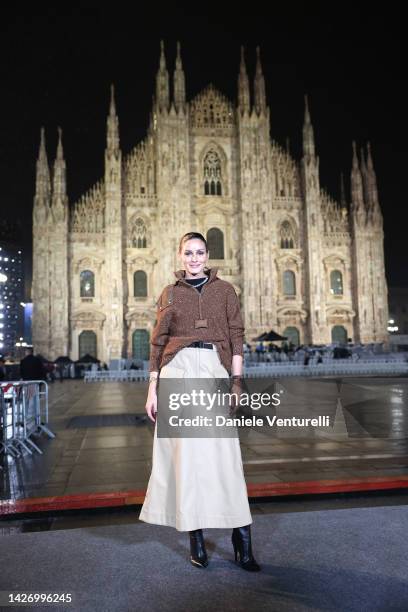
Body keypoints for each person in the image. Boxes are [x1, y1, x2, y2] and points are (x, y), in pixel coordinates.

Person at [139, 232, 260, 572]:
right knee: (187, 462)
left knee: (226, 458)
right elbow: (157, 343)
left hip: (212, 368)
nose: (194, 258)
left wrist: (237, 382)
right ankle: (196, 538)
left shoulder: (225, 290)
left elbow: (237, 338)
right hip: (176, 373)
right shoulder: (169, 294)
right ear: (180, 256)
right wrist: (152, 389)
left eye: (200, 252)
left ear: (208, 255)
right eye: (188, 253)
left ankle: (242, 537)